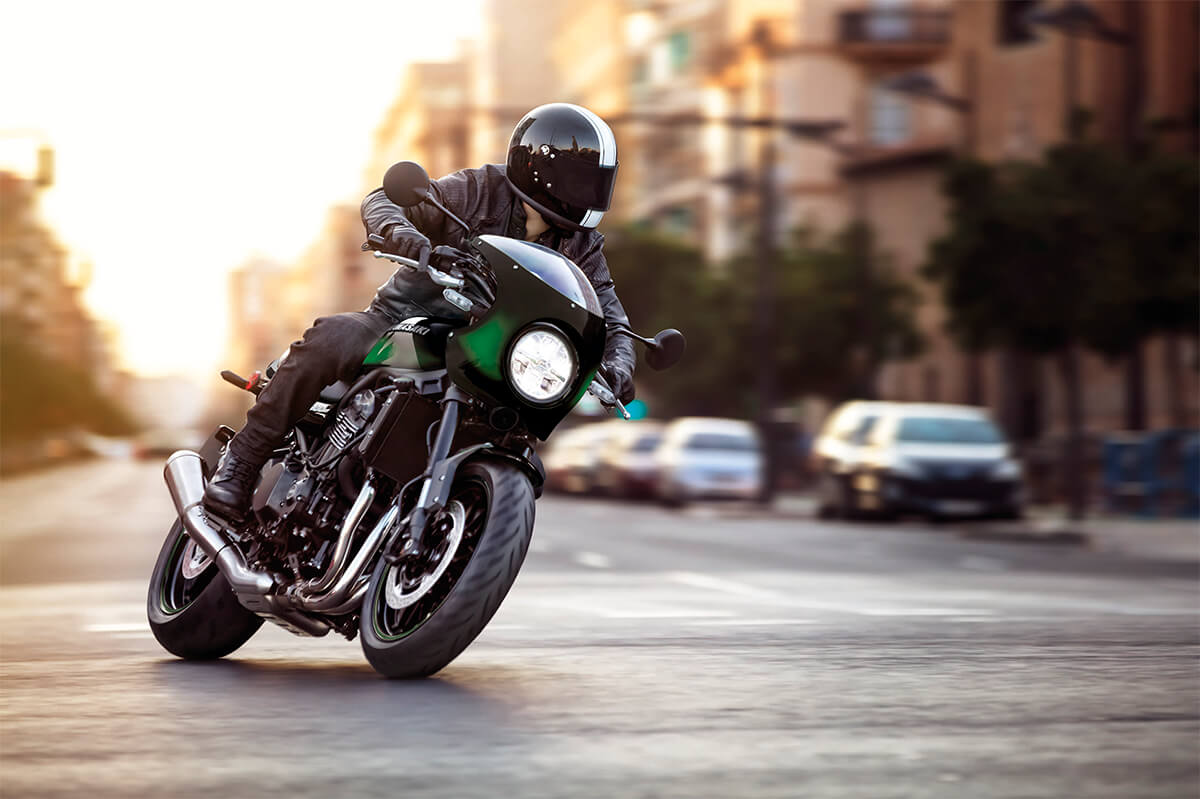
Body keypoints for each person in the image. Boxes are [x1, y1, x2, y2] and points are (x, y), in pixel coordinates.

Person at [203, 103, 637, 519]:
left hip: (489, 356)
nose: (590, 194)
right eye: (582, 180)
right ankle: (241, 463)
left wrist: (620, 361)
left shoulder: (583, 246)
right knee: (332, 338)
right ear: (542, 168)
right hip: (405, 323)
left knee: (522, 442)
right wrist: (401, 231)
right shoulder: (479, 189)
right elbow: (382, 201)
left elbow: (608, 313)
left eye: (598, 181)